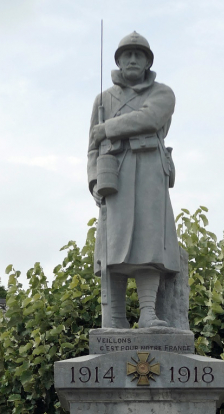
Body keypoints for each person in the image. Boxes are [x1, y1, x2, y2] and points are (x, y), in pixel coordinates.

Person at [88, 31, 180, 329]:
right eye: (126, 54)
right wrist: (93, 182)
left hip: (150, 174)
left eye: (138, 55)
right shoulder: (103, 99)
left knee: (149, 244)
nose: (131, 59)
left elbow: (150, 118)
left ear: (147, 62)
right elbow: (91, 147)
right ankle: (114, 317)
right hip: (115, 178)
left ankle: (148, 312)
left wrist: (108, 128)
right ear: (118, 60)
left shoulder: (162, 93)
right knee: (112, 249)